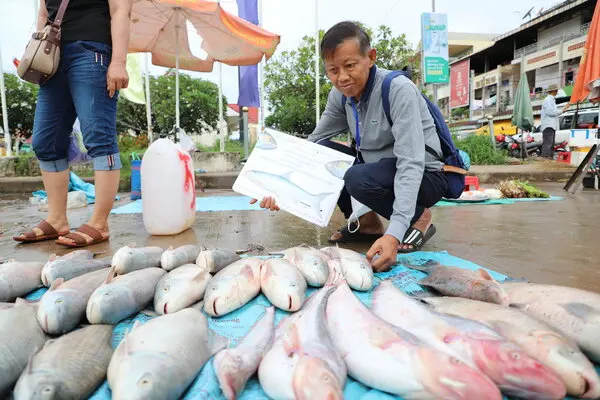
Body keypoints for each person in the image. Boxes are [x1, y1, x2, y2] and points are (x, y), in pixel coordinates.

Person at [251, 21, 449, 272]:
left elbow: (411, 162)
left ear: (371, 57)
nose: (342, 77)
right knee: (325, 151)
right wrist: (277, 187)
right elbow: (312, 146)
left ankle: (418, 217)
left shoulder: (398, 90)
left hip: (426, 176)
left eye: (350, 66)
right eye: (333, 70)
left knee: (355, 176)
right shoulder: (341, 96)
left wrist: (395, 233)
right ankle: (367, 223)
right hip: (379, 170)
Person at [13, 0, 132, 247]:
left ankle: (99, 223)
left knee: (99, 138)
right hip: (52, 55)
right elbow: (45, 12)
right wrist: (36, 47)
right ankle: (57, 220)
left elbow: (121, 10)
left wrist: (119, 62)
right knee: (46, 142)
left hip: (92, 52)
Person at [540, 84, 567, 159]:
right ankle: (546, 159)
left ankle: (549, 159)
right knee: (548, 144)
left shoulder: (551, 100)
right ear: (554, 91)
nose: (557, 91)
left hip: (551, 125)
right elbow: (550, 112)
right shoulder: (548, 100)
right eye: (556, 90)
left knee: (551, 144)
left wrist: (562, 110)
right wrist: (562, 111)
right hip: (548, 125)